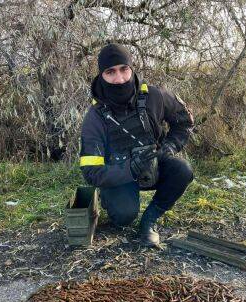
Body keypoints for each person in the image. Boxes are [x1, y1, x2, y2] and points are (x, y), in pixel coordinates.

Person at [79, 43, 194, 247]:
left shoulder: (154, 96)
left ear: (131, 68)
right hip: (119, 176)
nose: (120, 78)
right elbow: (91, 172)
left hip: (155, 164)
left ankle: (149, 220)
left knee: (182, 170)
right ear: (101, 76)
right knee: (124, 216)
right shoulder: (94, 118)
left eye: (124, 69)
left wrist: (171, 146)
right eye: (110, 72)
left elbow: (184, 121)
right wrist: (129, 169)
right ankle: (109, 200)